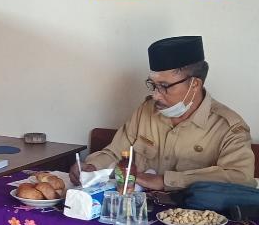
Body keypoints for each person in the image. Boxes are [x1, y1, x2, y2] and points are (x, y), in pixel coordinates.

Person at [70, 36, 255, 190]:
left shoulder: (228, 126)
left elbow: (240, 177)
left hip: (194, 216)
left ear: (195, 84)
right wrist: (92, 166)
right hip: (139, 209)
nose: (156, 95)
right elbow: (115, 152)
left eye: (165, 86)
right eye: (153, 85)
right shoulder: (146, 111)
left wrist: (165, 181)